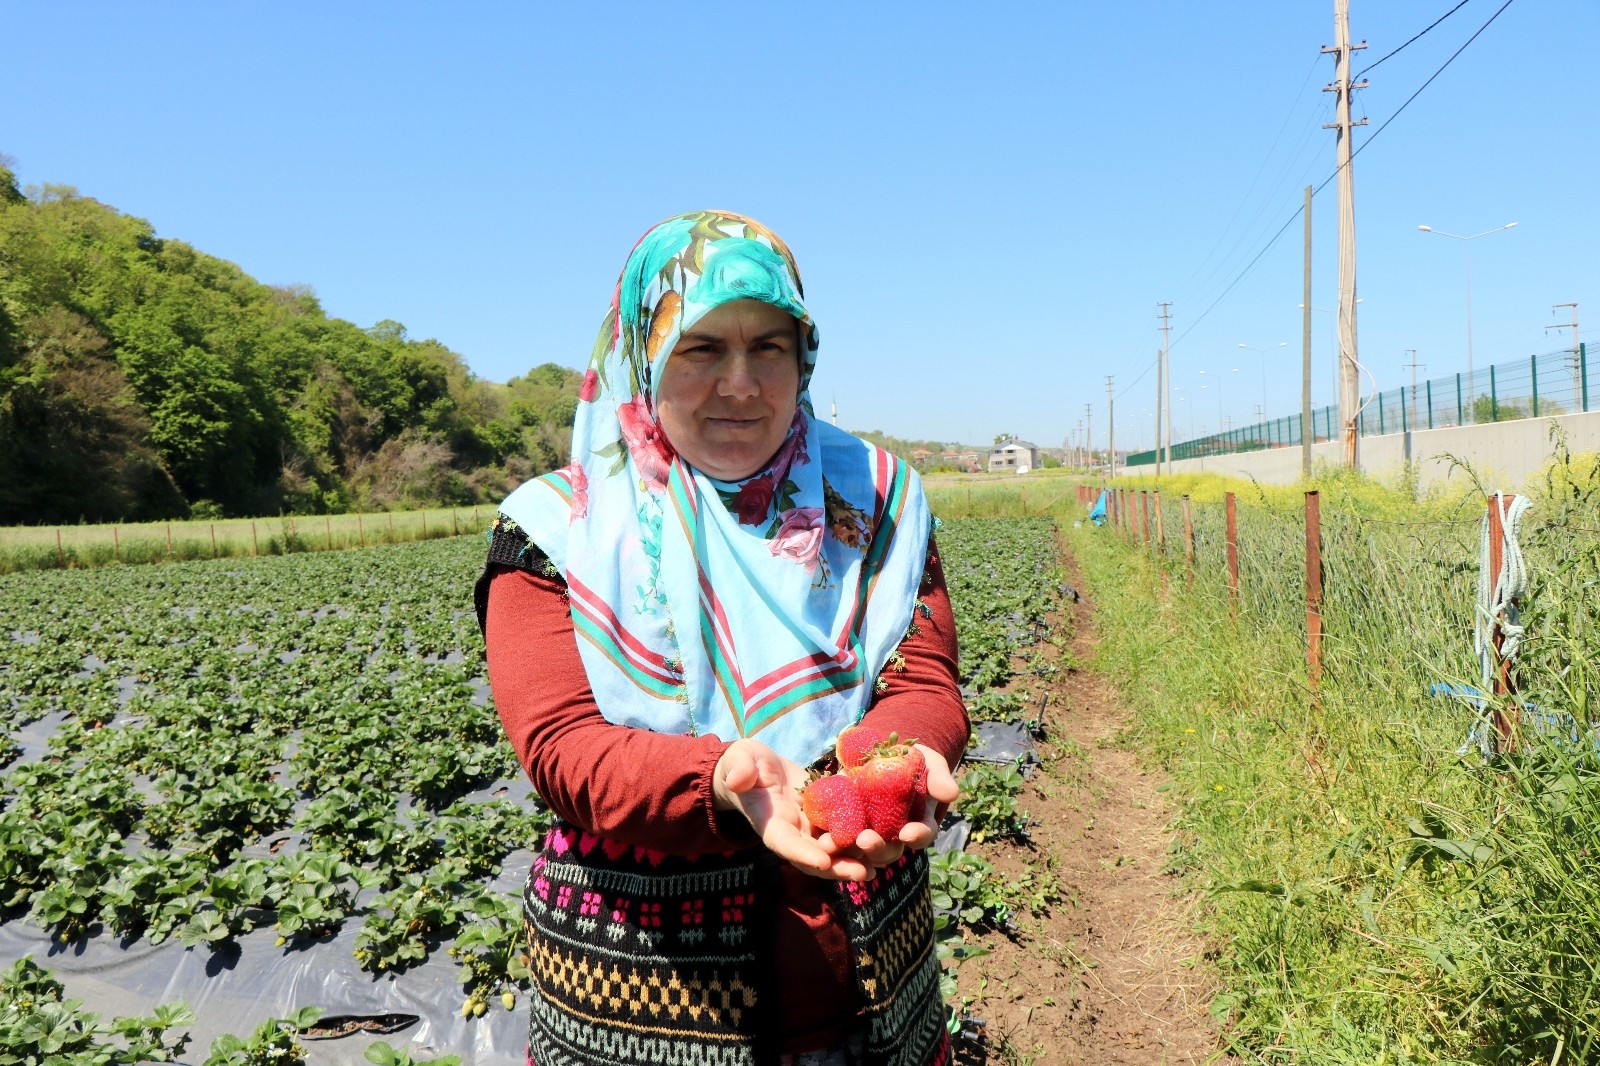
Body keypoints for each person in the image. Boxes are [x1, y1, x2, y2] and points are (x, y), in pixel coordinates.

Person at [476, 210, 967, 1066]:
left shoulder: (876, 499)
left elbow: (922, 676)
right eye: (701, 348)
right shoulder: (558, 532)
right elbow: (562, 747)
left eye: (769, 347)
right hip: (640, 994)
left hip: (870, 983)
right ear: (642, 356)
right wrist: (721, 781)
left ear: (803, 356)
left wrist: (899, 757)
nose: (741, 384)